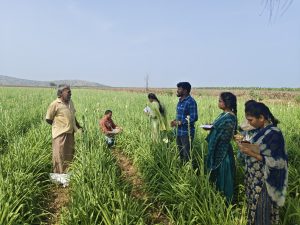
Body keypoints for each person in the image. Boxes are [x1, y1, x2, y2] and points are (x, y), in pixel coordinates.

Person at [237, 102, 288, 225]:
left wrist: (252, 153)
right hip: (255, 179)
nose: (249, 123)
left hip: (265, 182)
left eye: (251, 120)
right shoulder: (261, 129)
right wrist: (243, 144)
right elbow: (257, 145)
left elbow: (279, 162)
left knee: (262, 212)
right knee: (256, 212)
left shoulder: (274, 134)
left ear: (261, 118)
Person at [204, 92, 237, 202]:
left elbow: (225, 136)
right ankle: (216, 197)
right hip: (217, 148)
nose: (218, 102)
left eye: (220, 101)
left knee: (223, 175)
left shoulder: (230, 118)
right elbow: (217, 127)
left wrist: (213, 129)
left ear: (227, 103)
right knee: (216, 175)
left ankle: (225, 200)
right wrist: (211, 127)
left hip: (223, 152)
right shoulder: (223, 115)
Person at [46, 84, 82, 174]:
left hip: (70, 132)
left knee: (69, 155)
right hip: (60, 134)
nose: (70, 94)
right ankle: (58, 176)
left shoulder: (71, 103)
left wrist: (78, 126)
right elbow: (48, 119)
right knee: (59, 155)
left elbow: (73, 116)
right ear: (61, 93)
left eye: (70, 92)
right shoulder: (55, 104)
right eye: (68, 92)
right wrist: (59, 127)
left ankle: (67, 174)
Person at [171, 82, 198, 162]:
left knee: (187, 154)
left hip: (187, 133)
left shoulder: (191, 101)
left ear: (185, 91)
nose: (177, 90)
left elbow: (194, 117)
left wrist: (180, 122)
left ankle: (189, 171)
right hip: (178, 132)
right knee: (180, 153)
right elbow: (181, 116)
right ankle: (182, 169)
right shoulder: (180, 101)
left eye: (179, 89)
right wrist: (174, 121)